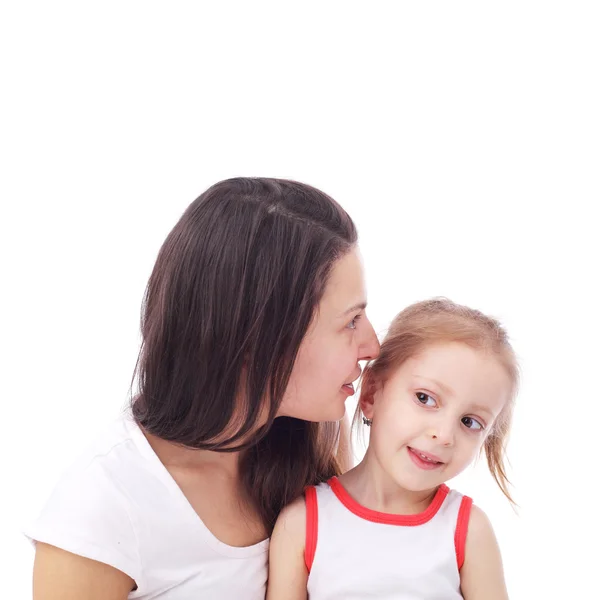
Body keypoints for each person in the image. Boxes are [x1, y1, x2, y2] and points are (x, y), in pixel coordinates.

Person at [25, 177, 380, 599]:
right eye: (350, 321)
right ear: (255, 336)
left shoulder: (299, 447)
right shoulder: (103, 506)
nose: (372, 346)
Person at [267, 298, 518, 600]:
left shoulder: (468, 532)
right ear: (372, 393)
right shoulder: (302, 523)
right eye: (425, 398)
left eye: (470, 421)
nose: (444, 435)